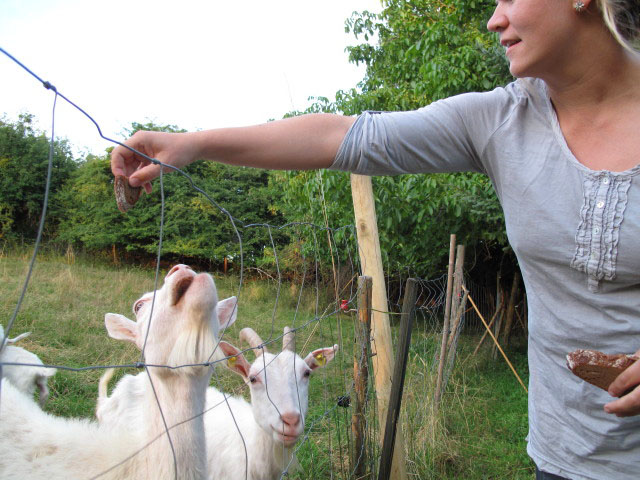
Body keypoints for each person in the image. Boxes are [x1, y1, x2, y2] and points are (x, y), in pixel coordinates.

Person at [111, 1, 640, 478]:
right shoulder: (502, 120)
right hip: (563, 454)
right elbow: (340, 136)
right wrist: (191, 143)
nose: (494, 18)